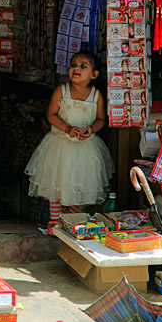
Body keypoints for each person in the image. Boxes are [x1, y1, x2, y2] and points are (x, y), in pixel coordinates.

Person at [25, 51, 114, 223]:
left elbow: (101, 119)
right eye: (73, 64)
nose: (76, 68)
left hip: (85, 149)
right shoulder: (61, 90)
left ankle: (75, 224)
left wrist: (92, 130)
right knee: (57, 187)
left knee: (79, 187)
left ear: (94, 74)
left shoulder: (96, 96)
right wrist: (67, 128)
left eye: (83, 66)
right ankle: (56, 224)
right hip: (60, 146)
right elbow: (51, 115)